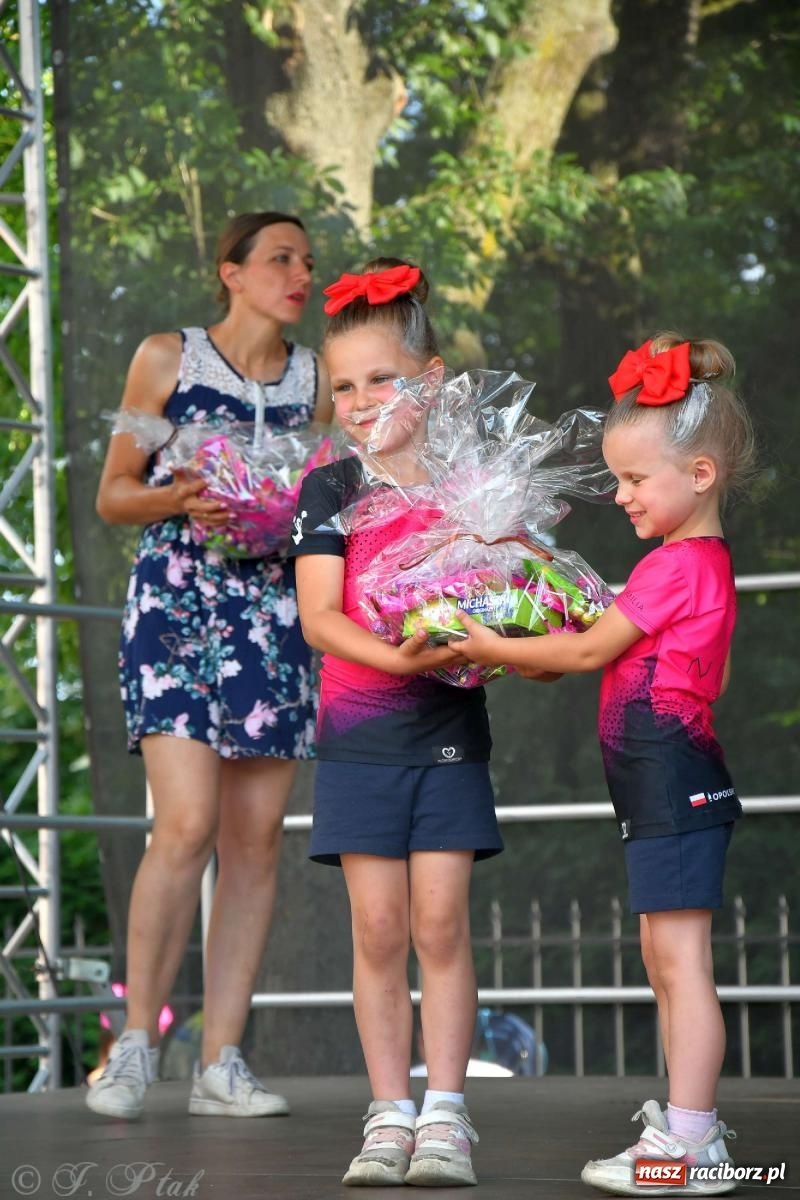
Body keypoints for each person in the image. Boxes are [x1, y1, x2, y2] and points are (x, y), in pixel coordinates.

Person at [455, 333, 754, 1196]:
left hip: (672, 779)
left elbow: (590, 654)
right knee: (665, 959)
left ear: (698, 475)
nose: (620, 496)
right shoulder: (702, 568)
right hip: (664, 781)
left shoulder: (673, 567)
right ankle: (689, 1127)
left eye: (633, 480)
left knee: (680, 965)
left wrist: (488, 643)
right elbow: (713, 672)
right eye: (617, 479)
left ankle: (692, 1144)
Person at [88, 211, 332, 1120]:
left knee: (255, 841)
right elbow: (114, 494)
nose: (299, 273)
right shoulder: (166, 357)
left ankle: (222, 1062)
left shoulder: (315, 380)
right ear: (230, 273)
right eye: (280, 259)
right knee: (184, 825)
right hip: (177, 602)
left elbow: (319, 494)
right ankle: (132, 1048)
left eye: (307, 261)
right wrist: (175, 495)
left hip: (275, 613)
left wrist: (289, 517)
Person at [288, 259, 506, 1188]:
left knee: (440, 923)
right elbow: (320, 618)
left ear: (429, 380)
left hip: (447, 742)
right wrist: (404, 655)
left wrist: (498, 640)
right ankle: (389, 1112)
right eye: (342, 384)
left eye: (380, 378)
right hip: (357, 744)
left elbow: (509, 605)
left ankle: (448, 1115)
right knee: (377, 929)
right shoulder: (329, 490)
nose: (360, 398)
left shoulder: (477, 490)